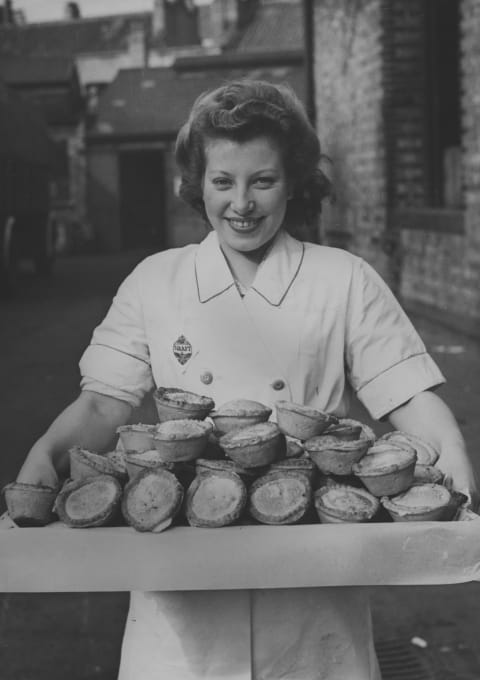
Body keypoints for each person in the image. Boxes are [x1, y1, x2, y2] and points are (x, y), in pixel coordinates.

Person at [17, 79, 478, 680]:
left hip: (313, 585)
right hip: (184, 588)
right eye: (222, 182)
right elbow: (105, 402)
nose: (242, 203)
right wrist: (45, 452)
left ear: (294, 181)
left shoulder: (344, 279)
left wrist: (457, 462)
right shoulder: (156, 281)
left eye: (263, 181)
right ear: (196, 184)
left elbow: (408, 393)